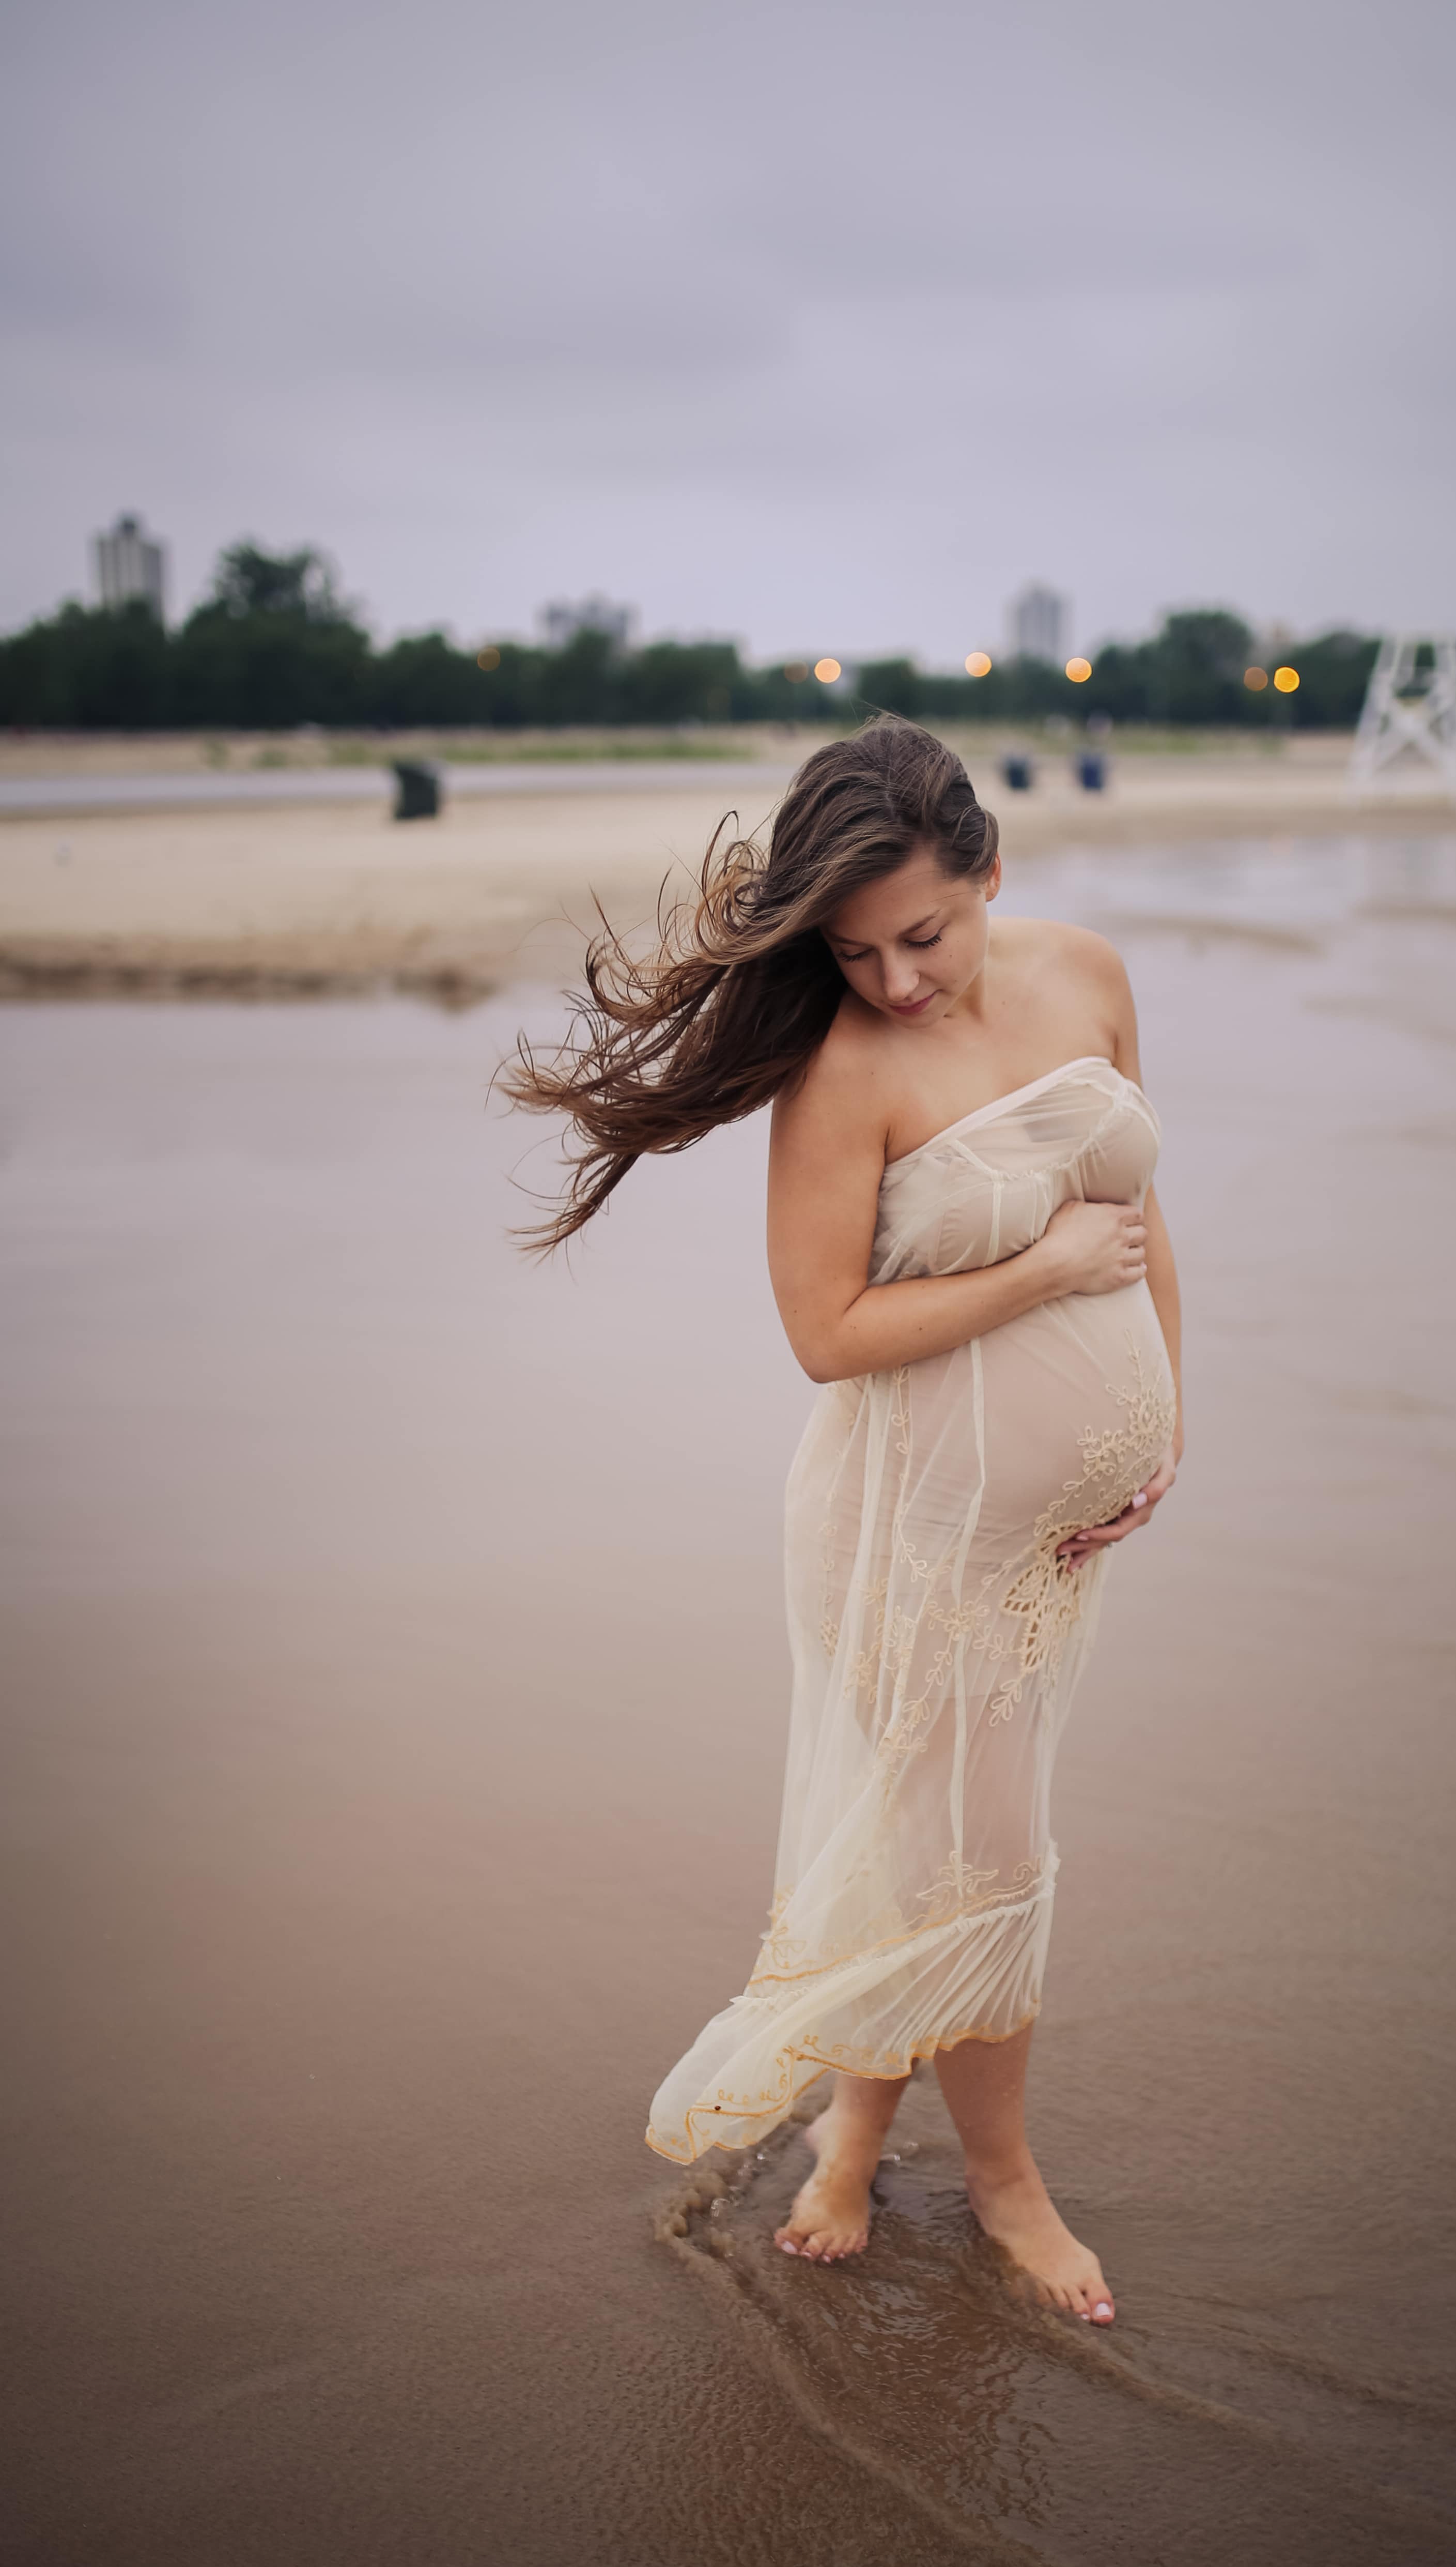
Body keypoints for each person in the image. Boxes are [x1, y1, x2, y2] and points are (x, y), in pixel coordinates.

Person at [505, 720, 1182, 2326]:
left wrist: (1167, 1416)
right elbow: (827, 1329)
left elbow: (1145, 1209)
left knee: (923, 1846)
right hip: (904, 1532)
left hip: (1042, 1540)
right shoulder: (842, 1071)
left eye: (923, 936)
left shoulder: (1087, 973)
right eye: (854, 950)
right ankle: (1004, 2183)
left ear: (992, 874)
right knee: (986, 1860)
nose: (890, 979)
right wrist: (1042, 1278)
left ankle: (856, 2123)